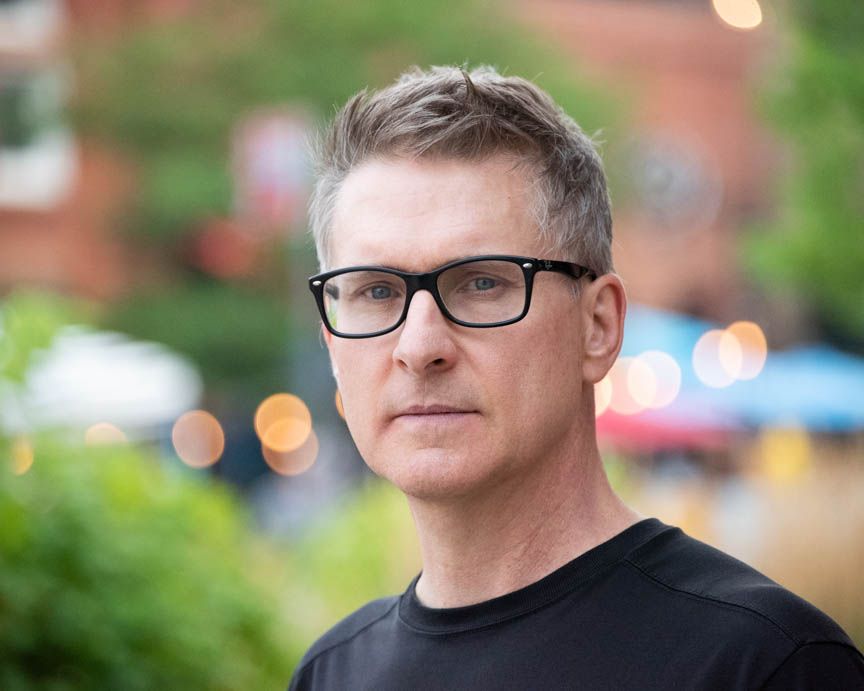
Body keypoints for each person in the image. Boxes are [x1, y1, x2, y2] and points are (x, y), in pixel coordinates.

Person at [288, 65, 864, 690]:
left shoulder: (766, 664)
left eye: (481, 282)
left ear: (598, 326)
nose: (420, 346)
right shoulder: (330, 674)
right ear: (331, 342)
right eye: (375, 291)